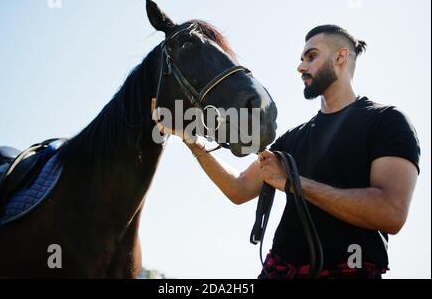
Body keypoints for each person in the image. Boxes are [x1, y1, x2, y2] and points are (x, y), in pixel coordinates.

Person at [156, 25, 421, 279]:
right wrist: (191, 139)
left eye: (311, 56)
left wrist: (293, 183)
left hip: (349, 269)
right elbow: (239, 189)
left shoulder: (388, 121)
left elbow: (391, 213)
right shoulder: (292, 139)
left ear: (341, 57)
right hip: (279, 270)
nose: (300, 66)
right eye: (301, 58)